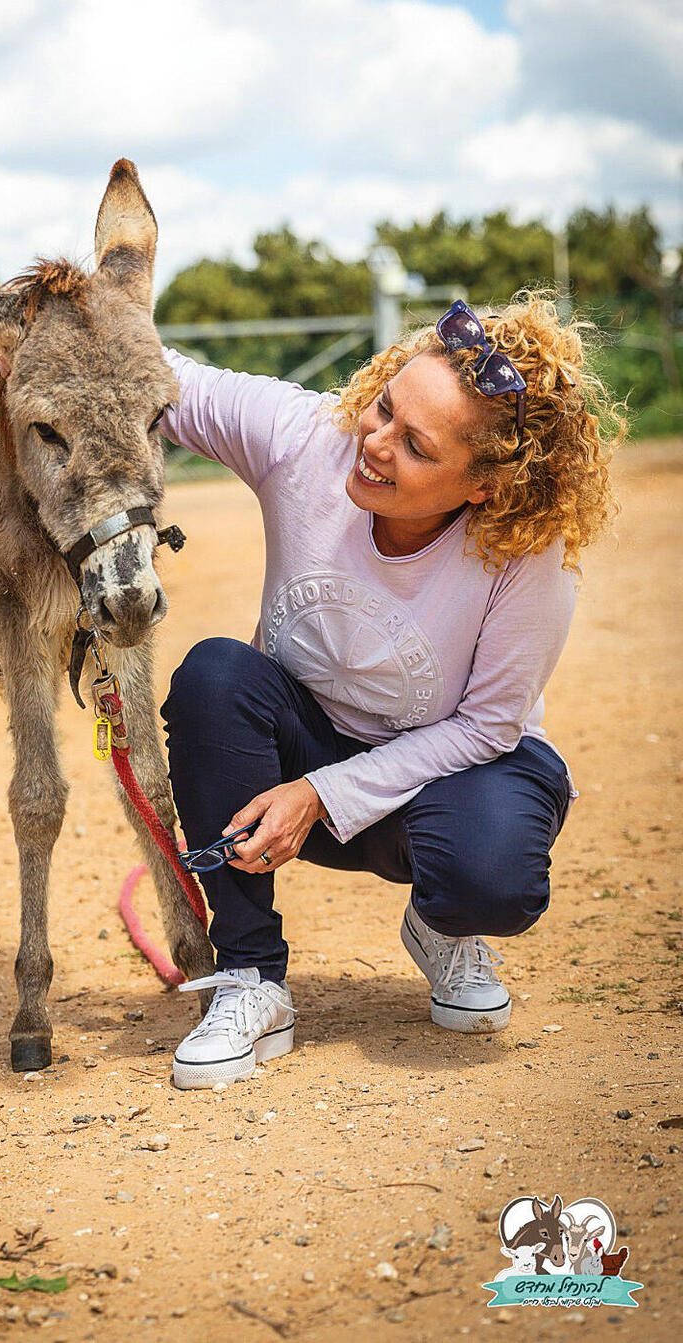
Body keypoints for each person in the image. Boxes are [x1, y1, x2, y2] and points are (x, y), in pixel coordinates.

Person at [158, 291, 623, 1090]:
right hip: (303, 756)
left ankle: (443, 921)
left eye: (414, 445)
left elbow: (486, 727)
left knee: (493, 876)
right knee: (214, 676)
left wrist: (318, 792)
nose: (373, 442)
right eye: (383, 407)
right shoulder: (309, 437)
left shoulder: (524, 552)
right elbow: (161, 379)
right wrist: (40, 325)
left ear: (483, 487)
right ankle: (250, 977)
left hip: (450, 777)